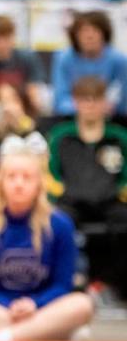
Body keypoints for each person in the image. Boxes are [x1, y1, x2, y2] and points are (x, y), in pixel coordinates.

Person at [0, 132, 94, 341]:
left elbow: (63, 285)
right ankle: (42, 332)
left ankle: (7, 335)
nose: (19, 184)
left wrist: (35, 304)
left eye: (27, 177)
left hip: (42, 307)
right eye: (12, 177)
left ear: (40, 183)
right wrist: (10, 307)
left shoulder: (60, 225)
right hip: (0, 309)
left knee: (83, 304)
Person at [48, 77, 127, 297]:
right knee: (57, 220)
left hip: (112, 201)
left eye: (96, 99)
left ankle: (116, 286)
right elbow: (50, 173)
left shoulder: (120, 137)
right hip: (70, 201)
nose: (90, 105)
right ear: (75, 102)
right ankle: (67, 283)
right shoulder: (60, 135)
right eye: (84, 99)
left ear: (105, 103)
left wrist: (119, 193)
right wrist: (61, 194)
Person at [52, 11, 127, 116]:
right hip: (72, 118)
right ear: (75, 36)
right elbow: (60, 101)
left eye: (95, 31)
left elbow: (123, 100)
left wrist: (106, 107)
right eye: (84, 31)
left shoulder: (119, 60)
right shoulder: (64, 59)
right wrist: (85, 108)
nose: (89, 36)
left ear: (104, 34)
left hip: (112, 118)